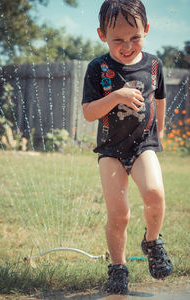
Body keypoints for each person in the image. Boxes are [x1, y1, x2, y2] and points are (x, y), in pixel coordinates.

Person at [82, 0, 173, 294]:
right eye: (117, 39)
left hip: (143, 144)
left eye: (135, 37)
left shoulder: (154, 64)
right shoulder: (98, 68)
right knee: (119, 214)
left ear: (146, 30)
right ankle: (118, 266)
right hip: (111, 150)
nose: (127, 45)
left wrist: (159, 127)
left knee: (155, 194)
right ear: (102, 35)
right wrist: (117, 95)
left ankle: (152, 241)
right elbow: (88, 112)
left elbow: (159, 97)